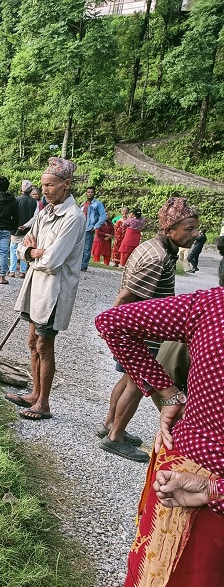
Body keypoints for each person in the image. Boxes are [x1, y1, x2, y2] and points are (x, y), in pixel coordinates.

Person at [94, 237, 224, 587]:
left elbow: (111, 321)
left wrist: (166, 391)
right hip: (191, 491)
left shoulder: (212, 307)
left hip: (182, 477)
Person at [97, 198, 200, 462]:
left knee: (127, 379)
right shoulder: (158, 257)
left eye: (195, 228)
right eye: (189, 229)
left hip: (135, 330)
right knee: (138, 383)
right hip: (142, 334)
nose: (195, 234)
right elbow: (125, 297)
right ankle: (116, 437)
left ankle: (110, 423)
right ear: (169, 230)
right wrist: (113, 327)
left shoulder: (153, 247)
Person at [5, 157, 86, 420]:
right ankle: (34, 393)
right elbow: (21, 248)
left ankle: (44, 403)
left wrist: (34, 252)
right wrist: (33, 251)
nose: (46, 190)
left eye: (51, 185)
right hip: (35, 285)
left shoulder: (72, 217)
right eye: (43, 185)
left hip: (54, 290)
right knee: (32, 342)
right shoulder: (44, 212)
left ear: (67, 185)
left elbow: (53, 261)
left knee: (44, 344)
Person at [10, 180, 39, 278]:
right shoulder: (35, 202)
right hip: (28, 231)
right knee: (25, 249)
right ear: (30, 189)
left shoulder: (15, 200)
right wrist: (26, 225)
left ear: (21, 189)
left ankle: (12, 271)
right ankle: (22, 271)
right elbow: (35, 217)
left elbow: (11, 215)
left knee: (13, 250)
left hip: (15, 230)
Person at [80, 186, 107, 272]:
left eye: (91, 192)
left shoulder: (98, 204)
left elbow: (103, 216)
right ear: (86, 193)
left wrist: (96, 226)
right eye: (88, 192)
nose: (90, 194)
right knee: (79, 247)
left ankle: (84, 266)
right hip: (80, 228)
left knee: (87, 248)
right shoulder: (82, 204)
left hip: (89, 228)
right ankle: (77, 264)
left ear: (94, 193)